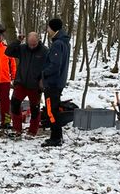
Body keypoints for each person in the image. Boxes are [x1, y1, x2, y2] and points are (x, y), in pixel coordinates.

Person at [5, 31, 47, 137]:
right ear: (27, 40)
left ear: (38, 40)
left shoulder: (44, 51)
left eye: (34, 43)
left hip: (35, 85)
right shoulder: (22, 48)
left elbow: (48, 67)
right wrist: (17, 41)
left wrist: (43, 80)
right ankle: (17, 129)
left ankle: (32, 131)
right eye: (30, 43)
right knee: (14, 104)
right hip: (21, 82)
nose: (32, 46)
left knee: (35, 109)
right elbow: (8, 52)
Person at [40, 17, 71, 148]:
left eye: (48, 28)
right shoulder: (64, 42)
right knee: (53, 109)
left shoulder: (58, 44)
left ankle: (55, 137)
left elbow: (55, 65)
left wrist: (44, 73)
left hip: (53, 83)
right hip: (57, 82)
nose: (47, 30)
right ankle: (57, 135)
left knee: (51, 111)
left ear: (53, 29)